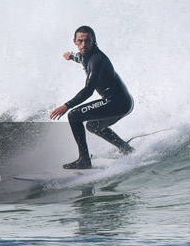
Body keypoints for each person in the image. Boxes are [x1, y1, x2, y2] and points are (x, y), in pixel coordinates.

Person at [50, 26, 134, 169]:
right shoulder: (84, 55)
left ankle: (84, 160)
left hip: (118, 102)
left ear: (93, 41)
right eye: (80, 41)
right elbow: (79, 58)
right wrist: (69, 57)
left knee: (74, 115)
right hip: (122, 102)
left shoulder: (97, 60)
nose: (84, 44)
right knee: (93, 125)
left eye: (87, 41)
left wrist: (67, 105)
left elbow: (89, 91)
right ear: (75, 41)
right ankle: (125, 148)